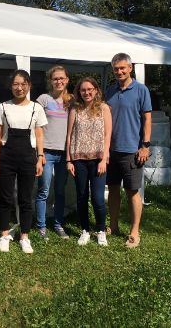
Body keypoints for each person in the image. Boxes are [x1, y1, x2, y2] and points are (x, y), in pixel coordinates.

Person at [0, 70, 47, 254]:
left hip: (28, 157)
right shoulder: (3, 107)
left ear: (29, 86)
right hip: (6, 157)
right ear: (10, 86)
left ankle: (25, 235)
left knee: (25, 199)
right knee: (6, 198)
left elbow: (39, 134)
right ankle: (4, 234)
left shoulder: (36, 108)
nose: (19, 87)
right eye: (15, 84)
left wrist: (40, 157)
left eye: (23, 84)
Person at [105, 53, 152, 248]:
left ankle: (134, 232)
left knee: (132, 191)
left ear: (130, 68)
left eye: (123, 68)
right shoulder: (110, 91)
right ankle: (113, 226)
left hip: (132, 150)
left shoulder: (141, 90)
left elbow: (147, 119)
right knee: (113, 189)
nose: (119, 72)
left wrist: (145, 146)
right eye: (116, 69)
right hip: (111, 150)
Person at [66, 77, 112, 246]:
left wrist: (104, 158)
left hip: (98, 160)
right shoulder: (75, 109)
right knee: (82, 196)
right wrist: (69, 160)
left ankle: (100, 230)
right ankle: (85, 230)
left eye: (89, 89)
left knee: (98, 198)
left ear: (96, 90)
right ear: (79, 92)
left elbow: (108, 135)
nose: (86, 92)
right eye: (83, 90)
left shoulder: (104, 108)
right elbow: (69, 136)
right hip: (78, 160)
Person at [35, 65, 71, 239]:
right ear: (50, 81)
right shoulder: (43, 99)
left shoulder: (71, 100)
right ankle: (41, 226)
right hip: (47, 152)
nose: (59, 81)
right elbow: (37, 126)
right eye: (55, 78)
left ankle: (58, 224)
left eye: (61, 78)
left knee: (60, 191)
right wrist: (39, 153)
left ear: (67, 80)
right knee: (44, 190)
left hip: (65, 154)